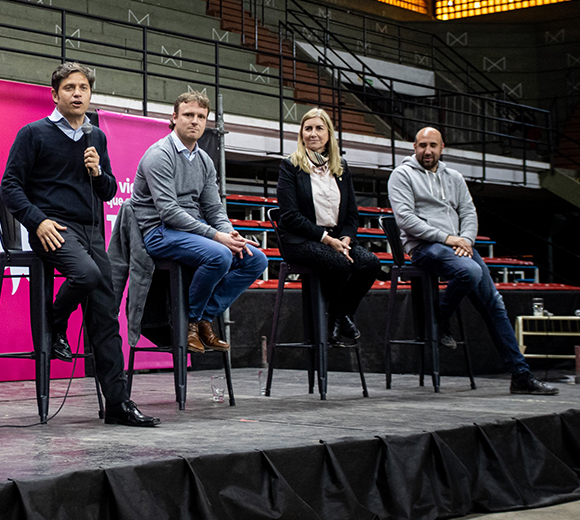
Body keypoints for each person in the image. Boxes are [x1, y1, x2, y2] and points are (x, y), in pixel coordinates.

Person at [1, 62, 159, 427]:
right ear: (55, 95)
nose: (77, 94)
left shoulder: (96, 137)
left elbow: (105, 192)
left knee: (106, 316)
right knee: (86, 275)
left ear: (90, 95)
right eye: (69, 88)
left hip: (91, 231)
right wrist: (37, 222)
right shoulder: (33, 134)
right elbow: (10, 187)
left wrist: (97, 172)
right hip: (53, 227)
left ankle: (118, 404)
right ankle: (54, 323)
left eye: (83, 88)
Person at [388, 127, 557, 395]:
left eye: (433, 145)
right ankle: (440, 320)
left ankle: (520, 375)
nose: (427, 150)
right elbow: (407, 220)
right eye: (422, 145)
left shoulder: (454, 177)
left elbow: (468, 212)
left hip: (457, 246)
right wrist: (448, 239)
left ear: (443, 147)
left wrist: (465, 240)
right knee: (469, 272)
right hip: (424, 246)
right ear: (414, 146)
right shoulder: (401, 175)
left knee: (495, 305)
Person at [129, 91, 267, 353]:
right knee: (219, 255)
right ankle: (191, 323)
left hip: (192, 233)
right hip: (159, 232)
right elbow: (168, 211)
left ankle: (203, 317)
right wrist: (217, 237)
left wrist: (229, 232)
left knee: (255, 259)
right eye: (188, 115)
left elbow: (214, 208)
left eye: (201, 117)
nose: (194, 121)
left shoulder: (203, 160)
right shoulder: (159, 155)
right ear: (174, 117)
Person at [276, 108, 381, 345]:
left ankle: (339, 315)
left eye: (319, 128)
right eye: (308, 128)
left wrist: (345, 239)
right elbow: (290, 216)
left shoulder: (341, 167)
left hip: (335, 239)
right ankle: (337, 320)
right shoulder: (290, 166)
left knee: (370, 264)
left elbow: (352, 214)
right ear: (302, 133)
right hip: (300, 239)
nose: (313, 134)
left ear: (329, 133)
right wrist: (326, 239)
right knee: (340, 264)